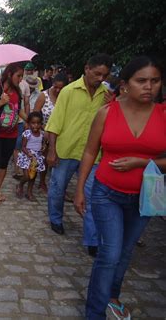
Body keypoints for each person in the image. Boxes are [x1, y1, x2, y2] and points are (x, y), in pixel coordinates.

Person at [74, 56, 166, 320]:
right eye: (141, 81)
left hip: (145, 197)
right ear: (125, 84)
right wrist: (80, 189)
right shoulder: (107, 112)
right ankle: (95, 313)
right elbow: (91, 152)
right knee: (110, 252)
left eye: (155, 81)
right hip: (107, 192)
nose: (149, 87)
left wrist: (142, 161)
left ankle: (112, 295)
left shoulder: (162, 115)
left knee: (124, 253)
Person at [45, 53, 113, 237]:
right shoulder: (68, 91)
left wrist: (113, 106)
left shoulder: (106, 96)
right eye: (97, 74)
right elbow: (55, 123)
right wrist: (52, 150)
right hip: (66, 150)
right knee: (58, 189)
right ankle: (56, 219)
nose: (100, 79)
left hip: (94, 155)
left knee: (91, 195)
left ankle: (91, 238)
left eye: (105, 76)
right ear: (87, 69)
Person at [0, 63, 26, 207]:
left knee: (3, 163)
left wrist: (30, 120)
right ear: (9, 74)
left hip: (12, 134)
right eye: (18, 75)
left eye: (22, 76)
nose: (20, 79)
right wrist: (1, 101)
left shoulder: (17, 92)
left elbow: (17, 109)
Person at [33, 72, 69, 192]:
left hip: (61, 134)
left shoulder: (67, 97)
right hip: (44, 132)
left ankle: (58, 184)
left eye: (61, 88)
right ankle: (42, 181)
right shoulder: (44, 96)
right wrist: (44, 130)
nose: (58, 90)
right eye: (56, 87)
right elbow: (35, 115)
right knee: (44, 159)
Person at [15, 111, 46, 201]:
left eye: (38, 123)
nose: (35, 125)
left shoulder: (42, 134)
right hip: (27, 157)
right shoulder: (27, 134)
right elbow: (23, 146)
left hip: (37, 158)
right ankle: (20, 184)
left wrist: (43, 147)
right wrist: (29, 154)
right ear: (29, 123)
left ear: (41, 124)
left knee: (33, 176)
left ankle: (29, 192)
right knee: (27, 176)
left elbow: (42, 144)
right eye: (33, 123)